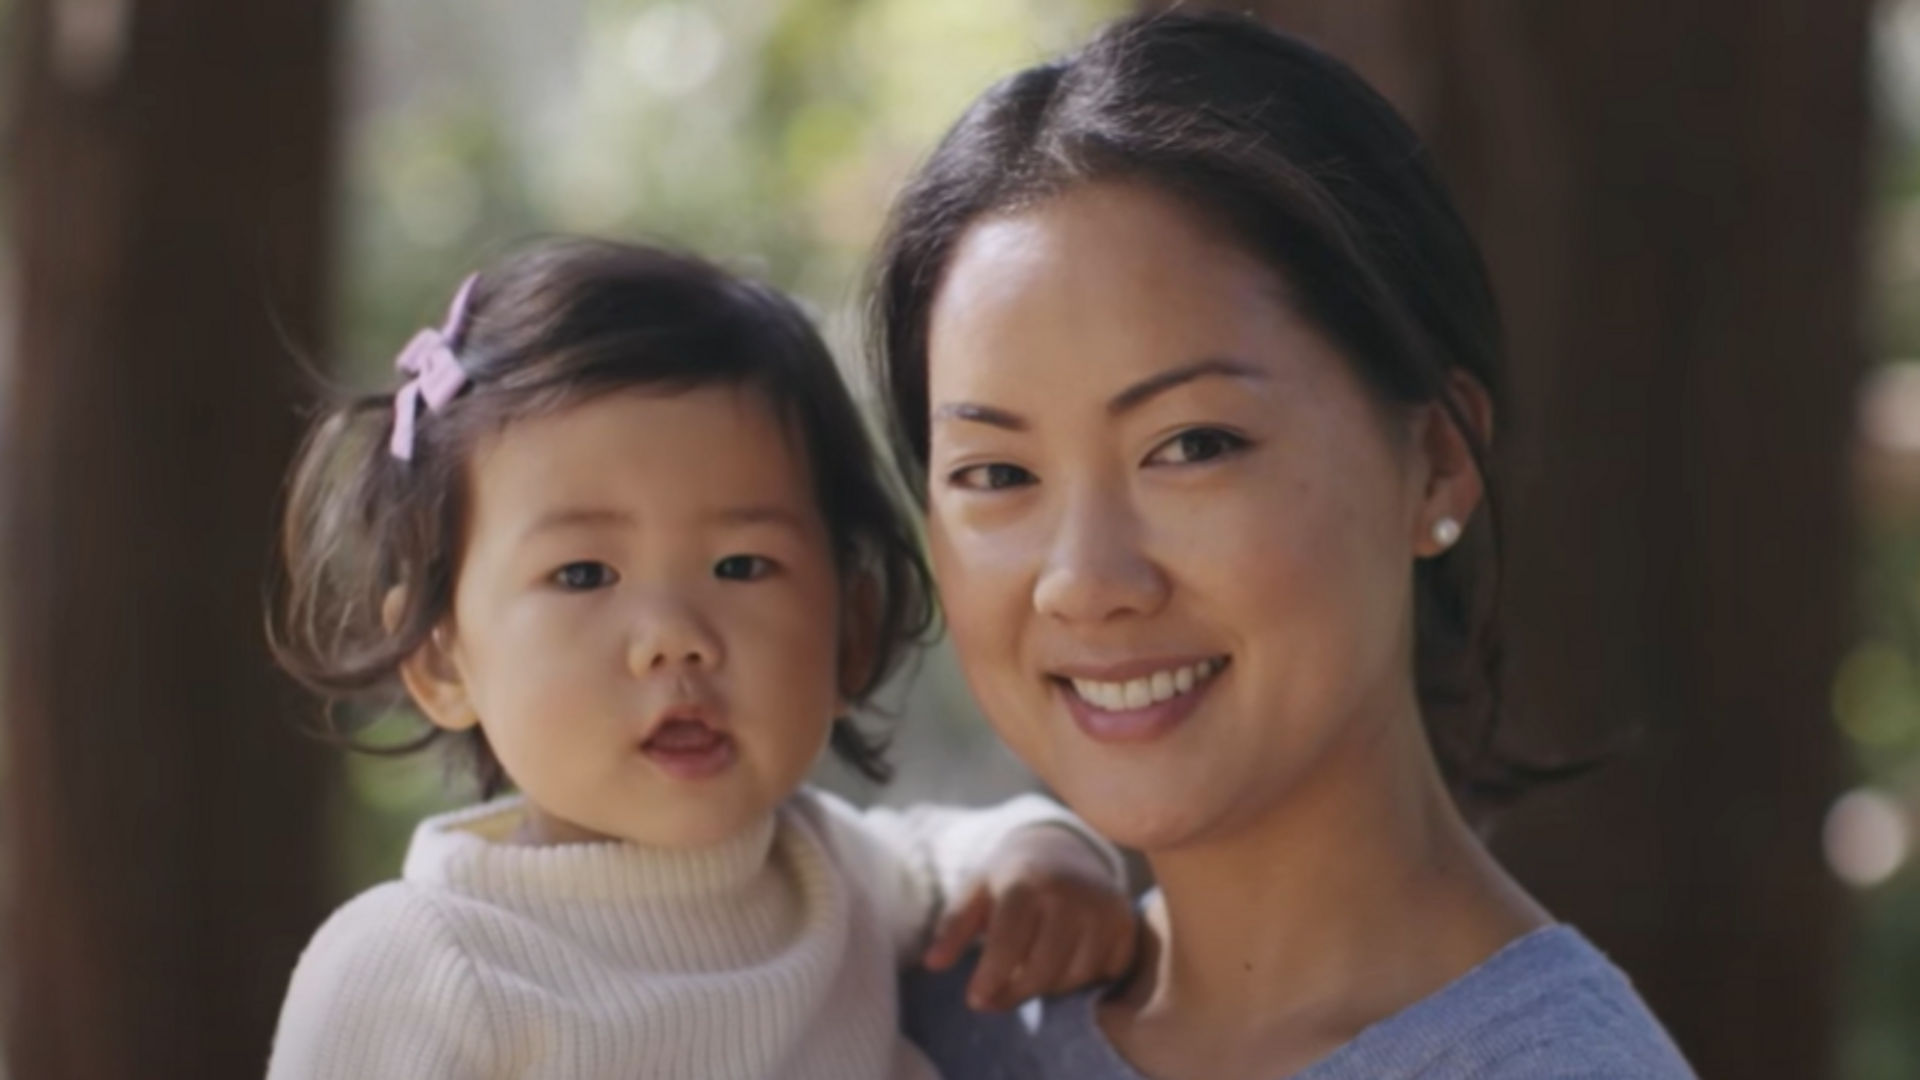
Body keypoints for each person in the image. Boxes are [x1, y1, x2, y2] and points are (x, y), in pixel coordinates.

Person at [871, 12, 1697, 1079]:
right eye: (997, 474)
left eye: (1192, 445)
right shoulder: (909, 1012)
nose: (1085, 580)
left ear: (1439, 459)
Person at [263, 238, 1136, 1079]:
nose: (673, 636)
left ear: (851, 630)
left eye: (742, 567)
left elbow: (949, 849)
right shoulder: (423, 968)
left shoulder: (829, 872)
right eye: (582, 574)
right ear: (443, 663)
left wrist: (1045, 858)